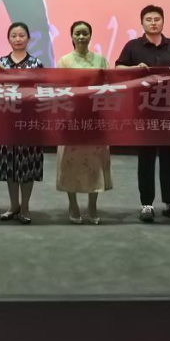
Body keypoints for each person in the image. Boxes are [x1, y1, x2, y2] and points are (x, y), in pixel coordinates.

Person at [115, 4, 170, 223]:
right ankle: (146, 204)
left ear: (163, 21)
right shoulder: (133, 46)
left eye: (157, 19)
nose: (153, 23)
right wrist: (134, 69)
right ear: (142, 23)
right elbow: (118, 69)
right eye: (148, 19)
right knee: (146, 158)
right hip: (144, 111)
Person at [55, 20, 111, 225]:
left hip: (95, 119)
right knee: (70, 164)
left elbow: (109, 88)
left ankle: (92, 205)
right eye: (77, 33)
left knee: (95, 165)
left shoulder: (101, 61)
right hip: (71, 120)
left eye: (85, 33)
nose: (81, 37)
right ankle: (73, 204)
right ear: (71, 36)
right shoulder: (64, 61)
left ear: (90, 36)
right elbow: (59, 91)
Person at [0, 22, 45, 224]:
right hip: (6, 121)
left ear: (28, 38)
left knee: (27, 165)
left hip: (29, 122)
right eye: (14, 35)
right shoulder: (0, 62)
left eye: (22, 35)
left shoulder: (36, 64)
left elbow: (41, 92)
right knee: (10, 165)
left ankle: (25, 207)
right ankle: (13, 205)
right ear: (8, 39)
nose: (18, 39)